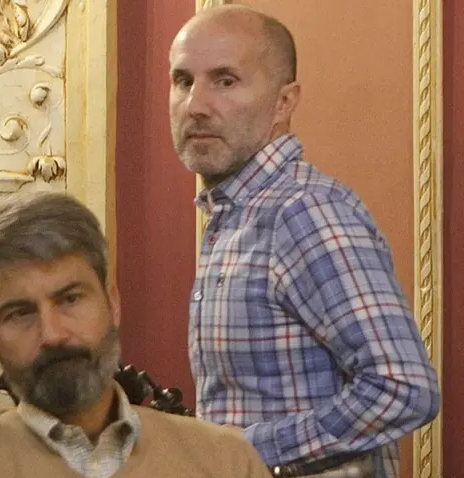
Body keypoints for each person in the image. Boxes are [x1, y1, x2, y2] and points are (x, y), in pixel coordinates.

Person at [168, 5, 440, 478]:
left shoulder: (302, 212)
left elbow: (403, 388)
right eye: (183, 81)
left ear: (284, 102)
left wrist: (247, 450)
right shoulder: (238, 215)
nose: (196, 105)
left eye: (225, 81)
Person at [0, 191, 272, 478]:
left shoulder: (224, 460)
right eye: (20, 314)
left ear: (112, 304)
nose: (52, 335)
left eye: (70, 299)